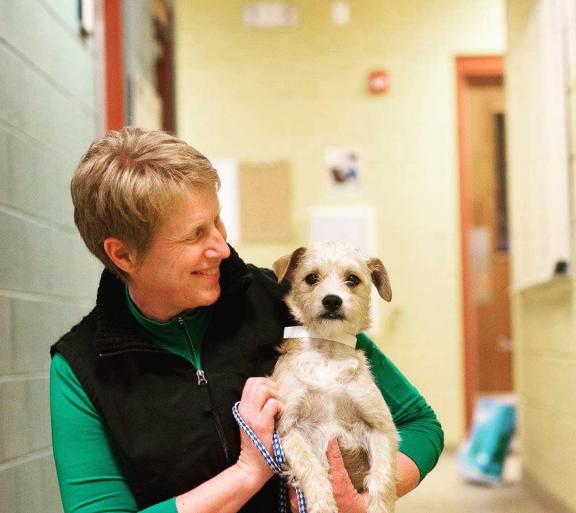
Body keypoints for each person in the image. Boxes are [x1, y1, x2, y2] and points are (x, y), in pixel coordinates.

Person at [50, 127, 444, 513]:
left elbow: (419, 425)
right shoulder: (81, 368)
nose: (222, 247)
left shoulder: (280, 299)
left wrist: (362, 501)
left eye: (217, 221)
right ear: (124, 256)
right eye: (195, 234)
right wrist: (247, 472)